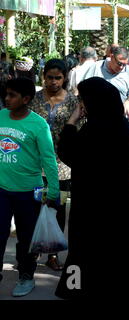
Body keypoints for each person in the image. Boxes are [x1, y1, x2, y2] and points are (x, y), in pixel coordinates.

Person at [55, 77, 129, 300]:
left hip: (90, 202)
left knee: (84, 249)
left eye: (83, 100)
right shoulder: (122, 127)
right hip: (119, 202)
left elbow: (66, 152)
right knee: (118, 250)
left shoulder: (92, 129)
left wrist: (72, 121)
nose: (81, 104)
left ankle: (77, 288)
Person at [0, 77, 59, 297]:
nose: (7, 99)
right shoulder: (0, 117)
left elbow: (48, 159)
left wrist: (53, 191)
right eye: (6, 94)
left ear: (26, 99)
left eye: (12, 95)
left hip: (28, 193)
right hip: (1, 190)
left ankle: (26, 276)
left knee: (26, 238)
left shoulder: (38, 124)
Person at [29, 59, 81, 271]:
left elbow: (77, 131)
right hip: (34, 165)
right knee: (33, 208)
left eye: (58, 77)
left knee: (57, 210)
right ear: (43, 77)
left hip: (62, 167)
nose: (53, 82)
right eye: (49, 77)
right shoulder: (33, 99)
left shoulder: (72, 102)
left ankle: (53, 253)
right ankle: (33, 251)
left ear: (65, 78)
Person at [85, 46, 129, 118]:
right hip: (97, 118)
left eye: (124, 64)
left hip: (119, 119)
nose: (121, 67)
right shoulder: (96, 67)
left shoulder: (128, 70)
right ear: (112, 57)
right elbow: (83, 89)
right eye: (119, 63)